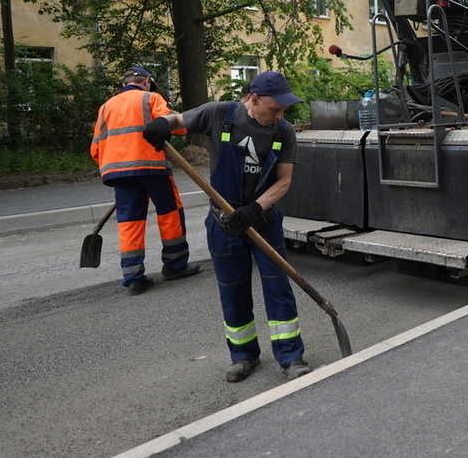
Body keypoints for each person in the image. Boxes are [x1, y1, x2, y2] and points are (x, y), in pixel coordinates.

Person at [142, 70, 311, 383]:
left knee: (278, 288)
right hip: (223, 224)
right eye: (275, 108)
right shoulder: (219, 113)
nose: (280, 115)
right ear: (254, 98)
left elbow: (284, 181)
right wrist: (162, 124)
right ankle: (243, 355)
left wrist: (255, 208)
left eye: (284, 110)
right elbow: (178, 120)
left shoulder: (283, 131)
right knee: (232, 292)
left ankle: (291, 356)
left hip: (263, 221)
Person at [90, 67, 200, 295]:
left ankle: (133, 277)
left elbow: (95, 147)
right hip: (152, 168)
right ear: (147, 81)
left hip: (118, 172)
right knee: (170, 213)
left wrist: (114, 168)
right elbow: (176, 126)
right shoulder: (151, 98)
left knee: (129, 222)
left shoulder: (105, 107)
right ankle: (175, 265)